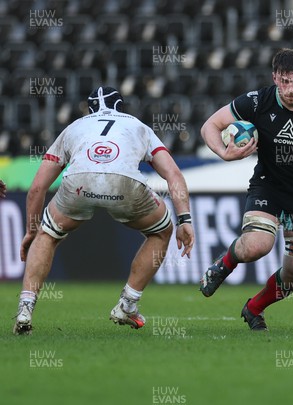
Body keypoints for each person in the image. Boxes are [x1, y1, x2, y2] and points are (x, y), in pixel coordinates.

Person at [14, 86, 195, 335]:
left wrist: (31, 231)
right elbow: (173, 174)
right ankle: (128, 304)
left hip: (79, 181)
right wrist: (184, 219)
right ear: (121, 107)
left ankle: (25, 308)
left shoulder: (74, 127)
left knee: (47, 235)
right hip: (124, 182)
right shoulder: (137, 125)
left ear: (89, 110)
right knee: (162, 231)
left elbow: (37, 188)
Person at [199, 48, 293, 331]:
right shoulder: (257, 102)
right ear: (274, 78)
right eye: (284, 81)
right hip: (268, 185)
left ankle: (254, 308)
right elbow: (211, 125)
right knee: (258, 245)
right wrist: (223, 151)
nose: (291, 89)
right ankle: (225, 264)